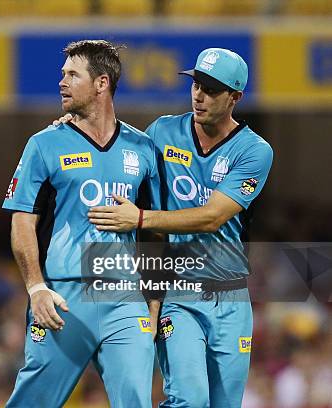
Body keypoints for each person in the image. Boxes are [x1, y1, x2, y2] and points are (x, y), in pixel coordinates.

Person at [86, 48, 274, 407]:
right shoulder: (163, 132)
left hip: (232, 297)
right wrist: (74, 125)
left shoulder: (254, 151)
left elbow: (213, 216)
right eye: (196, 84)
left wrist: (140, 218)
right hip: (179, 294)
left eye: (212, 89)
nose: (199, 95)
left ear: (235, 97)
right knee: (189, 400)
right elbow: (115, 150)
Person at [2, 40, 160, 408]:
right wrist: (36, 287)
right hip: (64, 297)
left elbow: (154, 228)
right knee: (33, 402)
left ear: (102, 83)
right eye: (63, 74)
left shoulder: (143, 148)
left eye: (73, 75)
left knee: (137, 399)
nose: (62, 82)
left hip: (126, 298)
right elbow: (22, 221)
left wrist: (152, 302)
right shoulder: (44, 144)